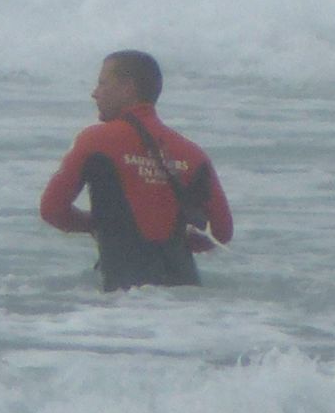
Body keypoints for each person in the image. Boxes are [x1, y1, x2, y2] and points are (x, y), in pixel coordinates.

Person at [38, 50, 232, 290]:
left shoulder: (96, 141)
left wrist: (96, 225)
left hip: (125, 299)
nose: (95, 93)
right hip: (185, 300)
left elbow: (52, 209)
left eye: (102, 83)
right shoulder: (193, 154)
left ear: (127, 87)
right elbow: (222, 232)